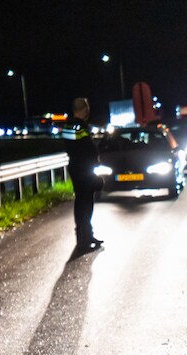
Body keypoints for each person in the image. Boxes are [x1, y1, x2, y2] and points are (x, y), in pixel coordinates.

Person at [62, 98, 103, 252]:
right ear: (85, 109)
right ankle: (85, 238)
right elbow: (87, 148)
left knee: (80, 202)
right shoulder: (80, 127)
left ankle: (84, 235)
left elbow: (73, 147)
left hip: (75, 167)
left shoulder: (67, 125)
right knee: (86, 203)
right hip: (84, 169)